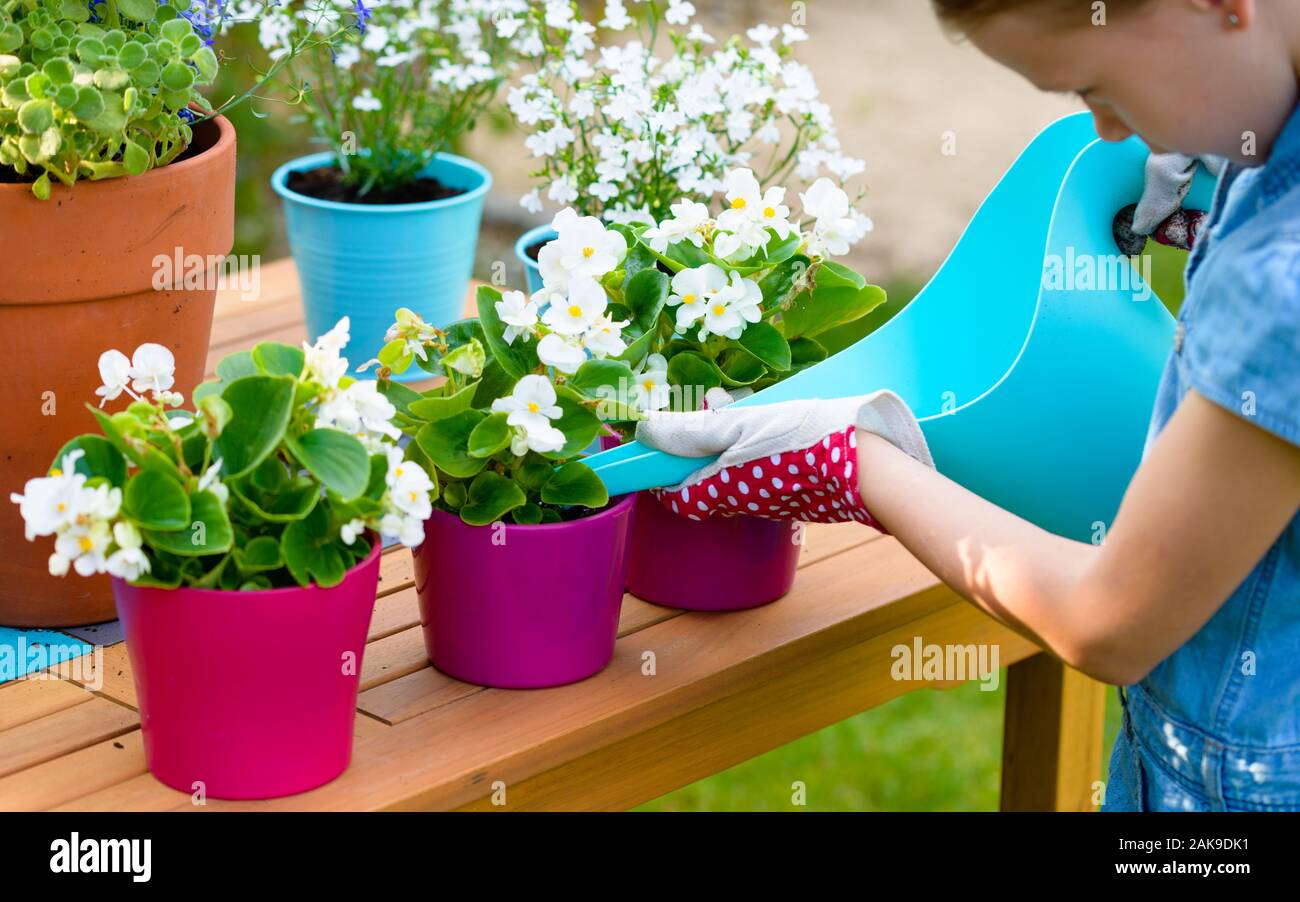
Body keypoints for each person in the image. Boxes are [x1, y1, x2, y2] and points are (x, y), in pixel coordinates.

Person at [636, 0, 1300, 811]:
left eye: (1098, 87)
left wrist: (857, 460)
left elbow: (1107, 625)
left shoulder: (1280, 290)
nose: (1109, 133)